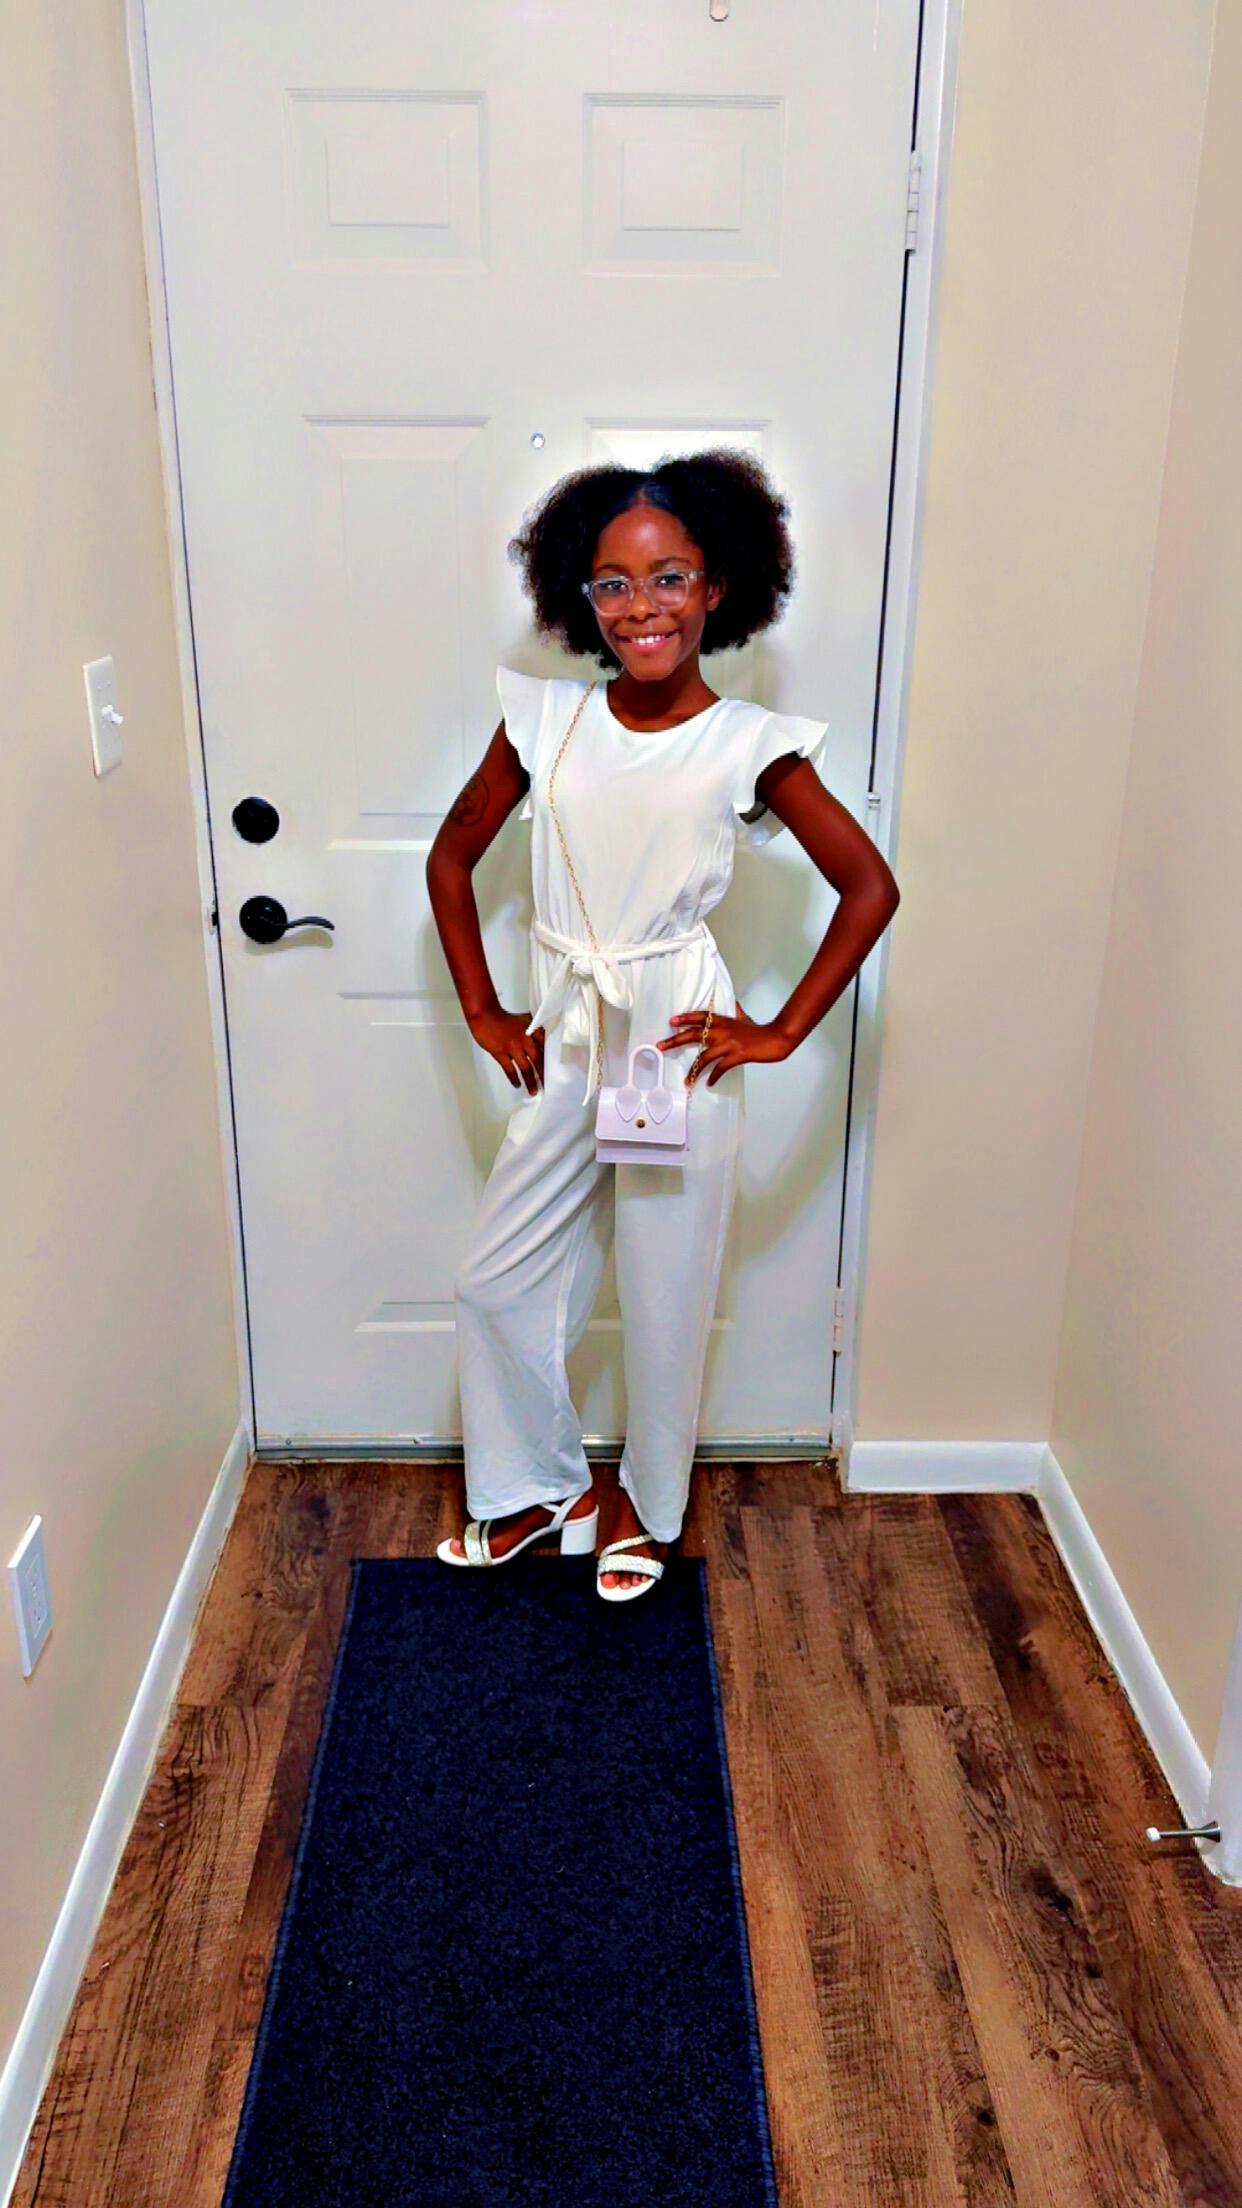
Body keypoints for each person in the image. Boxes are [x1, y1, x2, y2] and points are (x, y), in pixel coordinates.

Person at [425, 448, 899, 1600]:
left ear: (718, 586)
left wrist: (777, 1031)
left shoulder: (750, 743)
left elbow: (870, 886)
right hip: (572, 1024)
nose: (643, 607)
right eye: (614, 583)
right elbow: (450, 857)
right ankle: (539, 1491)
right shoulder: (544, 721)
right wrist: (484, 1006)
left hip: (676, 1041)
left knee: (666, 1290)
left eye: (670, 577)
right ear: (580, 597)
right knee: (495, 1279)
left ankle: (646, 1506)